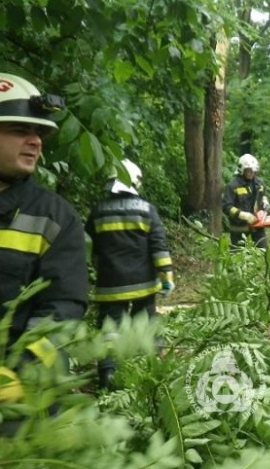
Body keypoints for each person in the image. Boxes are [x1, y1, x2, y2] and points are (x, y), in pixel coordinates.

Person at [0, 73, 88, 405]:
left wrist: (20, 373)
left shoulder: (55, 219)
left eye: (39, 132)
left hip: (19, 401)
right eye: (21, 130)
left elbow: (63, 308)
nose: (36, 141)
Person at [84, 158, 174, 390]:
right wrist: (167, 277)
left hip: (110, 285)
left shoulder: (98, 211)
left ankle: (108, 376)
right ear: (135, 181)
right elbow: (159, 247)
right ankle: (152, 370)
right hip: (143, 283)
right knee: (146, 323)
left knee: (109, 328)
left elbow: (89, 247)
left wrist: (98, 270)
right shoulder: (146, 210)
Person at [222, 153, 270, 249]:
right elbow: (226, 207)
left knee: (264, 250)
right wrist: (243, 215)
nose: (251, 173)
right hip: (239, 227)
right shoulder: (233, 186)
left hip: (257, 224)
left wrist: (266, 203)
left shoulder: (259, 183)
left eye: (253, 171)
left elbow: (264, 195)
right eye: (249, 171)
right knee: (238, 255)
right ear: (242, 170)